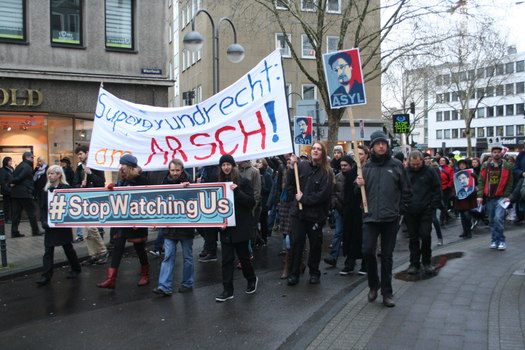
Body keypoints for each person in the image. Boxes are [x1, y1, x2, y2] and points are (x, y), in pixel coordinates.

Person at [356, 131, 411, 307]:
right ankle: (374, 284)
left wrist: (400, 209)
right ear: (372, 147)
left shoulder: (396, 166)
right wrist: (357, 185)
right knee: (367, 251)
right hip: (370, 216)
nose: (381, 146)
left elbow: (406, 190)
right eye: (378, 144)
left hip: (390, 218)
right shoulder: (366, 168)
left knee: (387, 256)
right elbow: (356, 193)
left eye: (383, 143)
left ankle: (387, 293)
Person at [98, 154, 150, 289]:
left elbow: (146, 196)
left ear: (130, 166)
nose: (121, 167)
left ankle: (145, 274)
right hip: (122, 220)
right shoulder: (122, 178)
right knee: (118, 247)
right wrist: (114, 187)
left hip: (136, 220)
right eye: (121, 165)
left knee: (139, 249)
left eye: (123, 165)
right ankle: (111, 278)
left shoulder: (141, 179)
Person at [287, 142, 334, 286]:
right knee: (296, 244)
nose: (315, 151)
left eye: (319, 149)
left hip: (315, 215)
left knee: (315, 245)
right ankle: (294, 273)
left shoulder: (327, 173)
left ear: (323, 153)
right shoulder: (301, 166)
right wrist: (291, 168)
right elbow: (290, 183)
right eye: (314, 148)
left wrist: (304, 199)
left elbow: (323, 195)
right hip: (299, 214)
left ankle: (314, 272)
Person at [215, 154, 258, 302]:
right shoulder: (218, 184)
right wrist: (218, 222)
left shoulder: (244, 182)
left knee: (244, 258)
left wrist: (237, 192)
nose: (226, 167)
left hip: (241, 226)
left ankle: (251, 278)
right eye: (223, 165)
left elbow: (251, 202)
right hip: (226, 228)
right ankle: (228, 290)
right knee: (226, 260)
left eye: (228, 164)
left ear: (233, 166)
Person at [153, 159, 195, 296]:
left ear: (182, 170)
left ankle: (187, 283)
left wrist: (190, 189)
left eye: (177, 170)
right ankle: (164, 286)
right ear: (169, 170)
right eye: (172, 170)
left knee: (187, 257)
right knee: (168, 256)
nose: (175, 173)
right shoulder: (164, 183)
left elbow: (197, 200)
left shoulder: (190, 183)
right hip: (170, 227)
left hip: (185, 227)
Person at [36, 165, 81, 285]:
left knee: (67, 247)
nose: (50, 175)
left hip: (62, 224)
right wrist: (44, 221)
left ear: (59, 175)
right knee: (48, 250)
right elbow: (43, 207)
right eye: (49, 174)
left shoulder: (66, 188)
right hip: (50, 224)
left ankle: (76, 268)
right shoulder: (46, 190)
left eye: (52, 173)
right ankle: (46, 276)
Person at [405, 151, 442, 275]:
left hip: (426, 208)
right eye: (413, 164)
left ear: (422, 161)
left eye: (418, 164)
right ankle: (414, 263)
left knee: (425, 235)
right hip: (410, 210)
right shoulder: (405, 172)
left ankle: (426, 262)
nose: (415, 166)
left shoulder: (430, 171)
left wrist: (433, 205)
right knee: (413, 238)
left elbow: (437, 188)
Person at [73, 145, 109, 265]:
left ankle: (103, 251)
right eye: (78, 154)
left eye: (81, 154)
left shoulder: (97, 166)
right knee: (87, 231)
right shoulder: (79, 169)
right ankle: (93, 254)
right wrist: (80, 185)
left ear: (87, 153)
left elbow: (101, 182)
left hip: (95, 200)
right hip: (84, 200)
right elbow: (75, 183)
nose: (79, 156)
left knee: (91, 227)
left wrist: (91, 174)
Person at [477, 143, 514, 250]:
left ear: (501, 153)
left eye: (498, 152)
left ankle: (501, 240)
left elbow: (510, 182)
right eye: (494, 152)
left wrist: (506, 194)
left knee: (498, 219)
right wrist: (480, 195)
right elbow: (481, 181)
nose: (496, 154)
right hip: (489, 197)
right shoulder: (485, 165)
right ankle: (494, 240)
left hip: (501, 197)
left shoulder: (506, 166)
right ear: (491, 154)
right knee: (492, 220)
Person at [340, 145, 368, 275]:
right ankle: (350, 262)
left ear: (366, 155)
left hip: (366, 209)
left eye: (361, 154)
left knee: (365, 237)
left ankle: (366, 264)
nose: (359, 157)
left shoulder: (370, 170)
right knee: (351, 235)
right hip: (352, 209)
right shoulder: (351, 173)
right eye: (357, 154)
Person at [324, 155, 353, 267]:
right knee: (338, 232)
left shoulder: (354, 177)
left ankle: (350, 258)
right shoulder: (337, 177)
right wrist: (335, 203)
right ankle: (333, 256)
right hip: (339, 209)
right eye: (342, 166)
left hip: (350, 210)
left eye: (346, 165)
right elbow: (333, 193)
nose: (343, 167)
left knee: (350, 234)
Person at [10, 152, 43, 238]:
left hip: (16, 193)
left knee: (16, 213)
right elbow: (20, 177)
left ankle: (14, 231)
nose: (33, 159)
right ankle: (35, 230)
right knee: (31, 212)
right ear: (28, 157)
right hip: (24, 193)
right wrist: (12, 182)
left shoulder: (20, 165)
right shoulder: (27, 166)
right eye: (32, 158)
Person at [197, 165, 220, 262]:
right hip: (205, 201)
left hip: (214, 201)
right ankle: (209, 247)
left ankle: (211, 250)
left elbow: (212, 183)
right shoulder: (204, 170)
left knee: (210, 228)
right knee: (203, 227)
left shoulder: (215, 169)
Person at [454, 160, 477, 239]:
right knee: (462, 216)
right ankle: (465, 231)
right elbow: (455, 185)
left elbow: (475, 183)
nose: (462, 166)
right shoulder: (456, 174)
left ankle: (469, 231)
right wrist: (455, 194)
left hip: (468, 197)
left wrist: (475, 177)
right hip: (460, 197)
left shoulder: (471, 173)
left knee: (467, 215)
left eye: (463, 164)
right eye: (461, 165)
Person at [438, 157, 454, 225]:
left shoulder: (449, 169)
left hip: (446, 188)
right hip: (439, 188)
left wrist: (448, 186)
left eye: (443, 160)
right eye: (441, 160)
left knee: (444, 203)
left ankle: (442, 218)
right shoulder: (437, 169)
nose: (441, 161)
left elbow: (452, 179)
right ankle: (446, 216)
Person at [0, 157, 14, 223]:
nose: (11, 162)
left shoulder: (12, 169)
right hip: (6, 190)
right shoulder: (2, 170)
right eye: (9, 161)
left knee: (12, 205)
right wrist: (7, 187)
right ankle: (7, 218)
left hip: (12, 190)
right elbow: (2, 181)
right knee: (7, 205)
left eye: (11, 161)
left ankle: (11, 218)